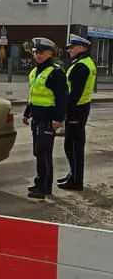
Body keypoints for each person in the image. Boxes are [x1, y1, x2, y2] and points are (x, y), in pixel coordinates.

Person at [23, 37, 68, 199]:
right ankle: (41, 183)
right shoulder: (35, 71)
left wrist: (58, 119)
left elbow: (62, 98)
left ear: (50, 53)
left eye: (41, 52)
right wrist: (27, 112)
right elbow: (33, 95)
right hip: (37, 118)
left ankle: (43, 187)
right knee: (40, 153)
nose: (38, 55)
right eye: (35, 52)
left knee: (43, 152)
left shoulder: (55, 73)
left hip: (48, 120)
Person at [58, 34, 97, 191]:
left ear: (81, 48)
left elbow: (74, 93)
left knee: (72, 146)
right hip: (82, 107)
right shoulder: (87, 63)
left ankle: (76, 180)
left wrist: (66, 111)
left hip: (76, 110)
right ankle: (73, 175)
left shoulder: (81, 66)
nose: (69, 50)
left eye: (71, 47)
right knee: (75, 145)